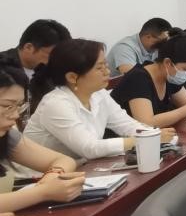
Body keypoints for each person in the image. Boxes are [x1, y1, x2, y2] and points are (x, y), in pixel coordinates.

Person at [25, 39, 173, 162]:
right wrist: (145, 139)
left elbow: (126, 124)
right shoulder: (56, 104)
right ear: (72, 77)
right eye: (99, 68)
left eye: (106, 65)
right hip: (38, 178)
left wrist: (154, 135)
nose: (107, 72)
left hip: (81, 168)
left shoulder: (98, 94)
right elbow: (89, 148)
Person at [0, 67, 85, 212]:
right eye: (7, 106)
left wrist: (52, 176)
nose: (15, 115)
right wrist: (43, 192)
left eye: (19, 106)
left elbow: (63, 160)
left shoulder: (6, 135)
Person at [110, 34, 186, 128]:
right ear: (167, 63)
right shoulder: (138, 78)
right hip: (122, 136)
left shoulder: (169, 76)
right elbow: (146, 123)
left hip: (156, 134)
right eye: (185, 69)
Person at [0, 19, 72, 84]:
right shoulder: (3, 69)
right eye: (52, 55)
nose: (55, 61)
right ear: (28, 47)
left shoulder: (49, 71)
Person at [107, 17, 173, 76]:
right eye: (163, 41)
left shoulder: (156, 47)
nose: (165, 44)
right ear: (148, 37)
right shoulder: (124, 47)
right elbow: (131, 76)